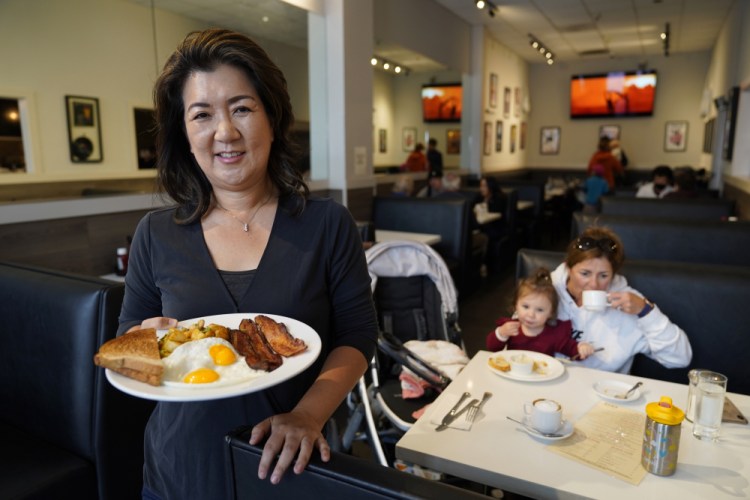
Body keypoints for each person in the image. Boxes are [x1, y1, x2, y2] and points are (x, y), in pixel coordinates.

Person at [117, 28, 378, 500]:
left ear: (272, 119)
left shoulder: (326, 225)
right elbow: (129, 349)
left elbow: (358, 335)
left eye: (242, 108)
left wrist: (309, 415)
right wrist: (142, 342)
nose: (225, 132)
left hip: (285, 468)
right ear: (185, 133)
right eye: (202, 115)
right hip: (179, 469)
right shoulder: (154, 234)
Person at [550, 226, 692, 373]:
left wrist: (646, 311)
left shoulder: (629, 303)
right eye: (585, 273)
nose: (594, 284)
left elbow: (680, 358)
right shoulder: (545, 292)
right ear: (568, 267)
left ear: (613, 274)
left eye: (603, 275)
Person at [486, 268, 595, 360]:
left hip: (542, 380)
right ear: (516, 305)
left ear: (550, 313)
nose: (531, 314)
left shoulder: (554, 334)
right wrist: (501, 333)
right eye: (525, 307)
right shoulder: (511, 327)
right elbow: (492, 347)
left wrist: (582, 348)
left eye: (539, 310)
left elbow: (572, 351)